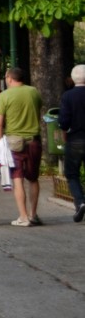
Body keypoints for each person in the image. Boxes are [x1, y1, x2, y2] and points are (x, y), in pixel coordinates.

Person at [0, 67, 45, 226]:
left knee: (17, 179)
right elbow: (37, 111)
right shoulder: (34, 92)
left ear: (9, 78)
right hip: (34, 141)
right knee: (33, 179)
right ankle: (33, 214)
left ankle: (22, 216)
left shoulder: (3, 96)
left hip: (14, 143)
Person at [61, 64, 85, 223]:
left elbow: (63, 121)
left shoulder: (68, 96)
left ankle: (80, 201)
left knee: (72, 173)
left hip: (75, 139)